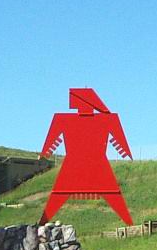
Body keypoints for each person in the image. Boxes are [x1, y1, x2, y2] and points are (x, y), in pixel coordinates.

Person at [39, 88, 134, 225]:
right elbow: (122, 146)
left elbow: (48, 147)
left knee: (59, 195)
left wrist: (44, 155)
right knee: (113, 195)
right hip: (97, 166)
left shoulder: (62, 119)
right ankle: (130, 224)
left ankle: (41, 224)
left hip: (74, 167)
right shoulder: (108, 119)